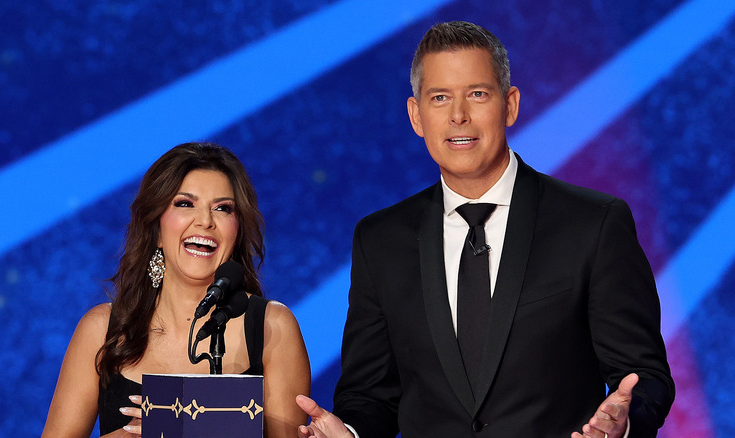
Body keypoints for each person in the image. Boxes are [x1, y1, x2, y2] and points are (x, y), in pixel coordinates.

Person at [296, 21, 674, 438]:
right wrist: (349, 431)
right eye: (440, 98)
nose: (458, 115)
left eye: (477, 94)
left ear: (509, 105)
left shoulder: (593, 224)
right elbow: (370, 394)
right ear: (416, 115)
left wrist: (622, 424)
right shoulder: (380, 240)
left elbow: (644, 375)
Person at [43, 142, 311, 437]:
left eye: (223, 208)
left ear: (237, 231)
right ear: (157, 229)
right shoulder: (101, 330)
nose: (205, 221)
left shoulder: (272, 327)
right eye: (185, 204)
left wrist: (185, 429)